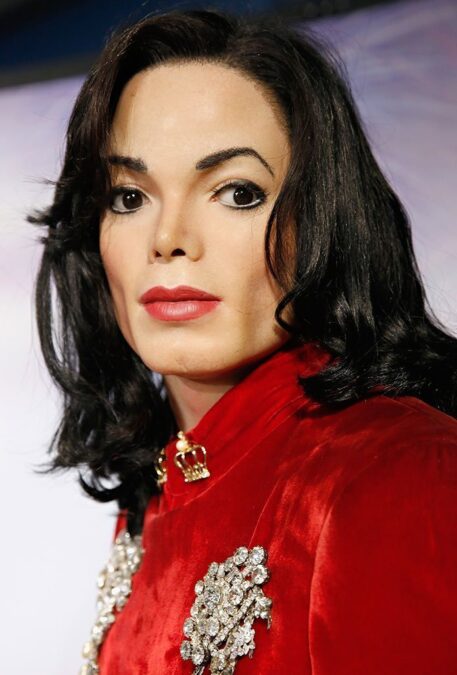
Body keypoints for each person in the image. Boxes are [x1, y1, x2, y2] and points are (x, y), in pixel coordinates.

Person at [29, 8, 457, 675]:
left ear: (321, 220)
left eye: (236, 192)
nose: (168, 238)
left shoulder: (397, 476)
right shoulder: (158, 490)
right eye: (129, 197)